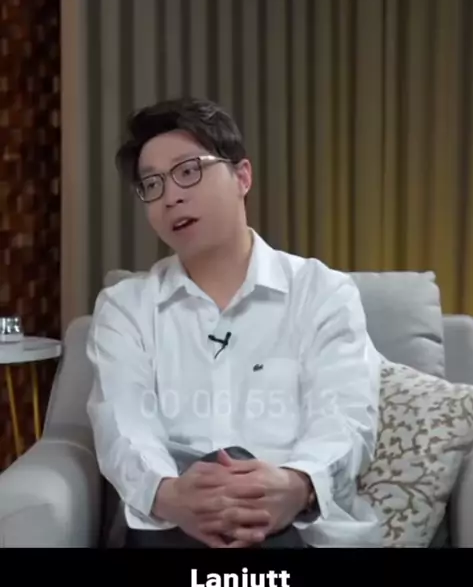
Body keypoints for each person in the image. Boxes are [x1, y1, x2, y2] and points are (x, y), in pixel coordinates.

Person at [86, 97, 382, 549]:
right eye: (152, 184)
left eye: (189, 171)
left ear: (242, 176)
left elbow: (346, 417)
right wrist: (170, 496)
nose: (171, 196)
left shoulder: (322, 292)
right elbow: (122, 425)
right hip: (174, 527)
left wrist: (296, 484)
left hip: (295, 527)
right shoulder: (125, 308)